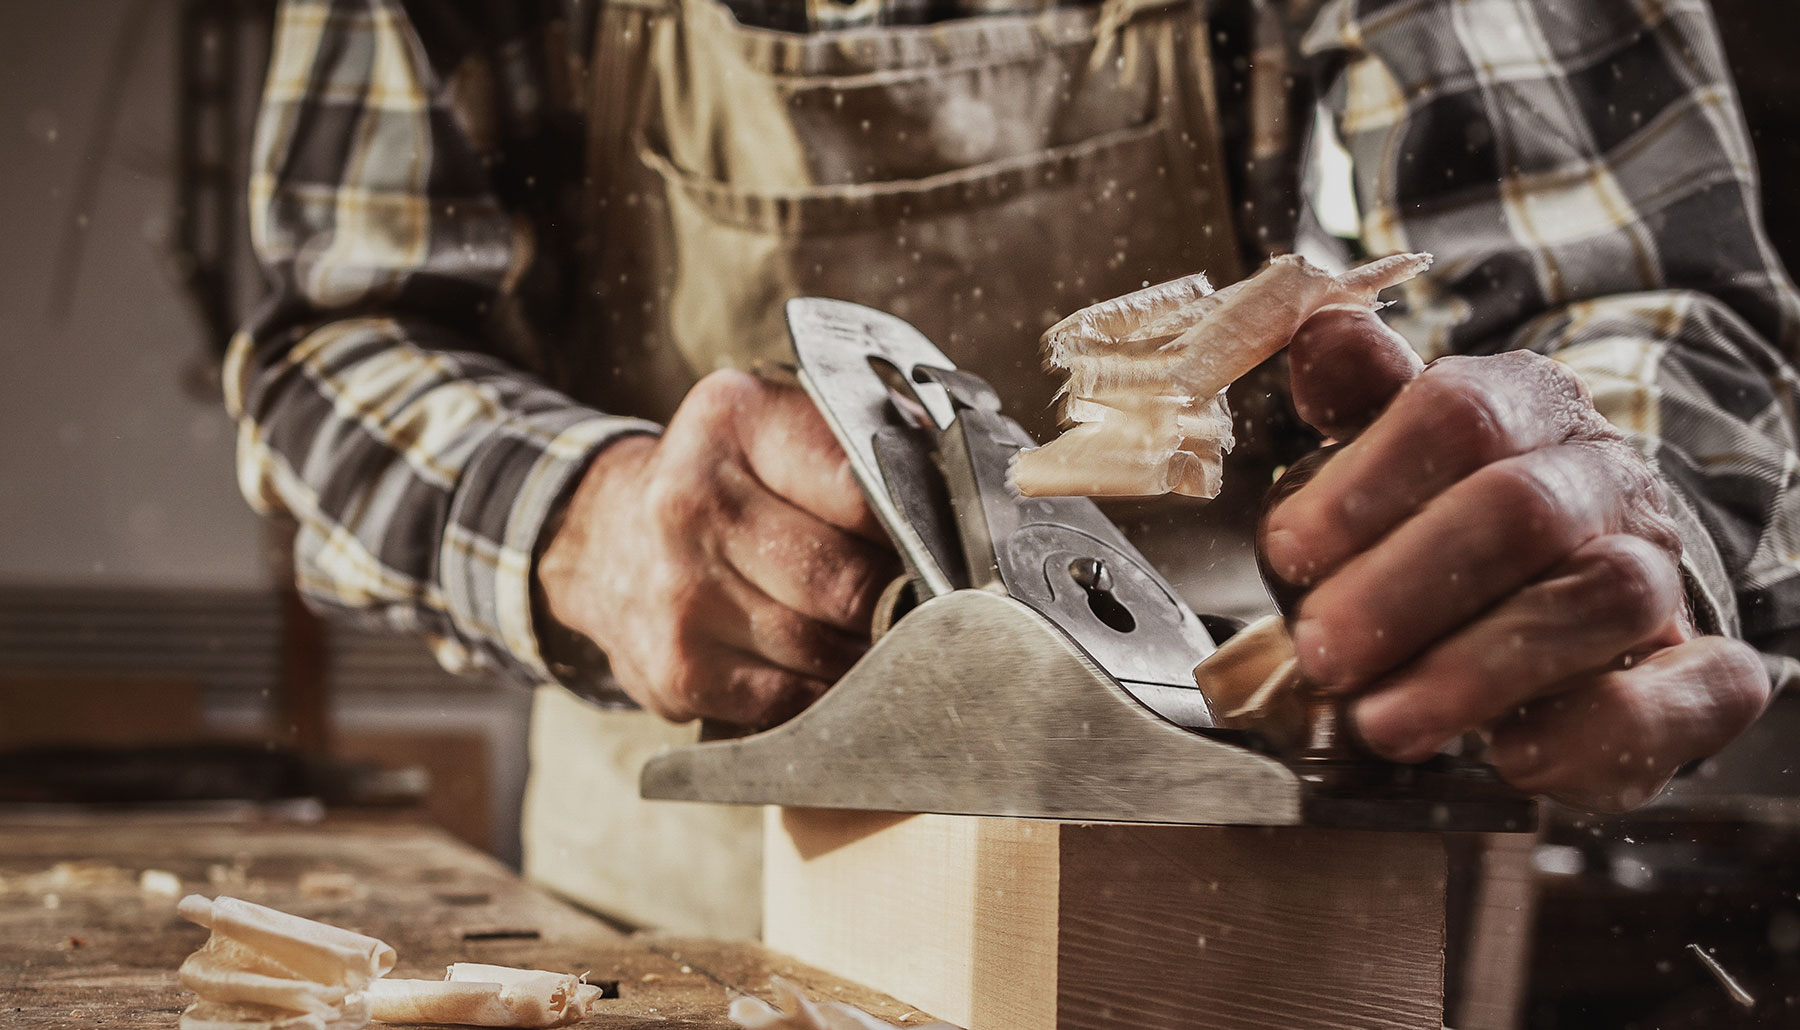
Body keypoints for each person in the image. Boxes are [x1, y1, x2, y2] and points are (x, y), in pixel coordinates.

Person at [231, 0, 1796, 846]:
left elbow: (1650, 292)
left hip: (1251, 871)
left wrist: (1598, 499)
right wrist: (586, 521)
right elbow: (336, 338)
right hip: (689, 901)